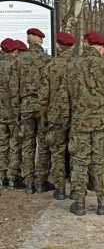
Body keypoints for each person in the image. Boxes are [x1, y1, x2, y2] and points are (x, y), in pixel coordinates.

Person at [66, 32, 104, 215]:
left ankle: (79, 203)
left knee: (80, 162)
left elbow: (66, 93)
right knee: (101, 162)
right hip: (102, 122)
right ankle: (103, 202)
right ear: (100, 46)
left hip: (80, 121)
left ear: (87, 44)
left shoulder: (72, 65)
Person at [39, 32, 76, 200]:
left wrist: (44, 116)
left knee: (58, 153)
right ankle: (77, 189)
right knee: (77, 153)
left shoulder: (50, 65)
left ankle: (60, 189)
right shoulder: (79, 64)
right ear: (73, 46)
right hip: (76, 115)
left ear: (58, 45)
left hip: (55, 115)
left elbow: (43, 96)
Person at [18, 28, 52, 194]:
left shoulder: (18, 59)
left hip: (25, 105)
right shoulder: (47, 60)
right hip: (42, 106)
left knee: (27, 143)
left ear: (28, 40)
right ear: (40, 40)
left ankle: (28, 181)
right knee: (43, 143)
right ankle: (41, 181)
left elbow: (12, 86)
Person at [0, 39, 20, 189]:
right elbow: (15, 91)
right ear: (14, 51)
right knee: (14, 144)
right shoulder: (14, 65)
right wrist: (17, 112)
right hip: (12, 112)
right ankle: (12, 177)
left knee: (2, 144)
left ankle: (1, 176)